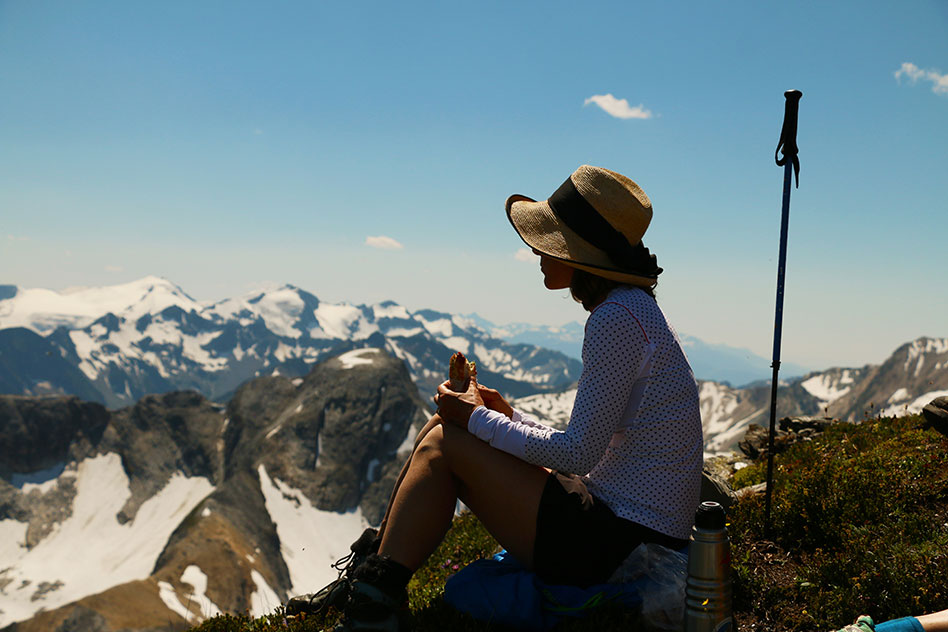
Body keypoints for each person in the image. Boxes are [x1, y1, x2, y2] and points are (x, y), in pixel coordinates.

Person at [287, 165, 704, 631]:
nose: (536, 250)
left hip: (622, 546)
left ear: (581, 254)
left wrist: (477, 420)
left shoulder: (614, 320)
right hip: (630, 525)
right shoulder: (633, 309)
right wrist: (505, 414)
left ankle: (373, 605)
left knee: (448, 439)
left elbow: (580, 454)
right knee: (444, 427)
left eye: (550, 241)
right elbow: (595, 443)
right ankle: (371, 577)